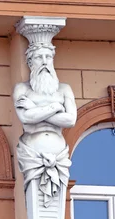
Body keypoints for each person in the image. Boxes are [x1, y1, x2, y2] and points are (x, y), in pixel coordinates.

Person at [13, 42, 76, 206]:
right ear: (30, 62)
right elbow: (25, 118)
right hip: (32, 154)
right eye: (39, 57)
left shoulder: (64, 89)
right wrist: (55, 108)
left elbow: (70, 120)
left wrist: (35, 109)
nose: (45, 62)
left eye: (48, 57)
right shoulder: (22, 89)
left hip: (59, 156)